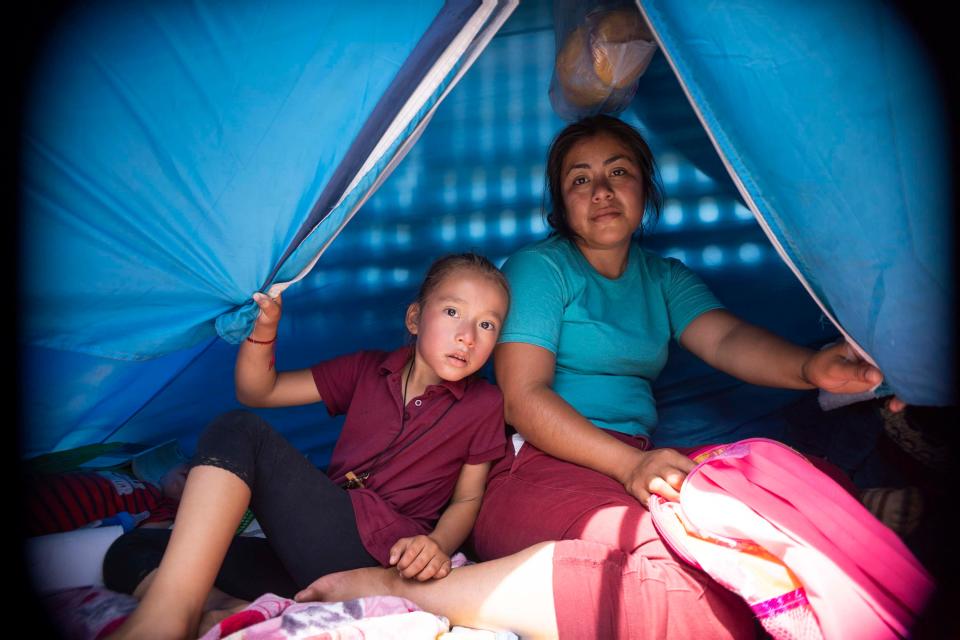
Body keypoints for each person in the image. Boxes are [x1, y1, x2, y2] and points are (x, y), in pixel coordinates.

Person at [295, 115, 893, 639]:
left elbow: (726, 338)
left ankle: (836, 520)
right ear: (560, 201)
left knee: (786, 480)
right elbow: (522, 401)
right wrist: (631, 468)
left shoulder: (663, 278)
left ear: (645, 188)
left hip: (631, 462)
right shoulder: (540, 268)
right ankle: (403, 589)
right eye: (580, 179)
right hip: (533, 468)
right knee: (688, 584)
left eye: (618, 172)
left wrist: (811, 366)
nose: (601, 191)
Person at [103, 252, 511, 640]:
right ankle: (225, 608)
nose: (467, 336)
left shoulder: (484, 404)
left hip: (380, 557)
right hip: (308, 551)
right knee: (132, 549)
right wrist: (264, 331)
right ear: (415, 317)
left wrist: (437, 545)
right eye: (453, 312)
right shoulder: (367, 370)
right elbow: (258, 391)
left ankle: (164, 620)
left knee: (239, 431)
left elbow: (467, 500)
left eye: (487, 325)